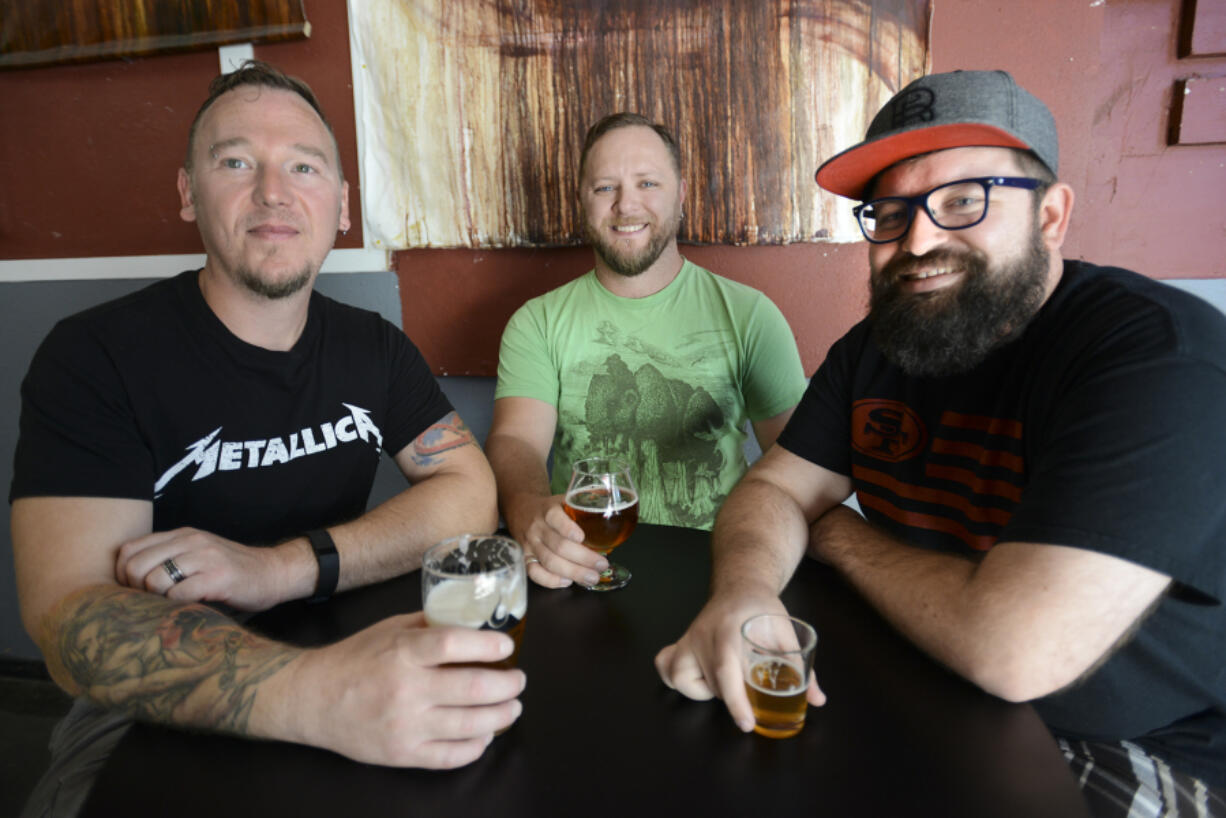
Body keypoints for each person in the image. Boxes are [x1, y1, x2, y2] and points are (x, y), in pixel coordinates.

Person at [655, 70, 1226, 816]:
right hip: (917, 685)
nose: (918, 239)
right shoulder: (875, 349)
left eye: (962, 201)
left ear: (1050, 217)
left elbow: (1013, 651)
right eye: (889, 214)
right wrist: (745, 593)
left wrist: (838, 535)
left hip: (1127, 746)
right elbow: (772, 490)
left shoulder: (1158, 356)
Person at [10, 61, 522, 815]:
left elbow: (468, 492)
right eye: (237, 161)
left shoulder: (373, 349)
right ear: (189, 192)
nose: (274, 191)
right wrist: (318, 694)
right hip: (148, 703)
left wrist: (280, 569)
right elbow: (71, 616)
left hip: (343, 645)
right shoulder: (95, 357)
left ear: (342, 206)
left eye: (304, 166)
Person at [486, 112, 807, 589]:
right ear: (582, 201)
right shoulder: (537, 321)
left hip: (722, 571)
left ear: (681, 195)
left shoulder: (751, 315)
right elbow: (516, 442)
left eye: (647, 183)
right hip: (580, 567)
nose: (625, 205)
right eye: (604, 188)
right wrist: (527, 508)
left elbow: (802, 462)